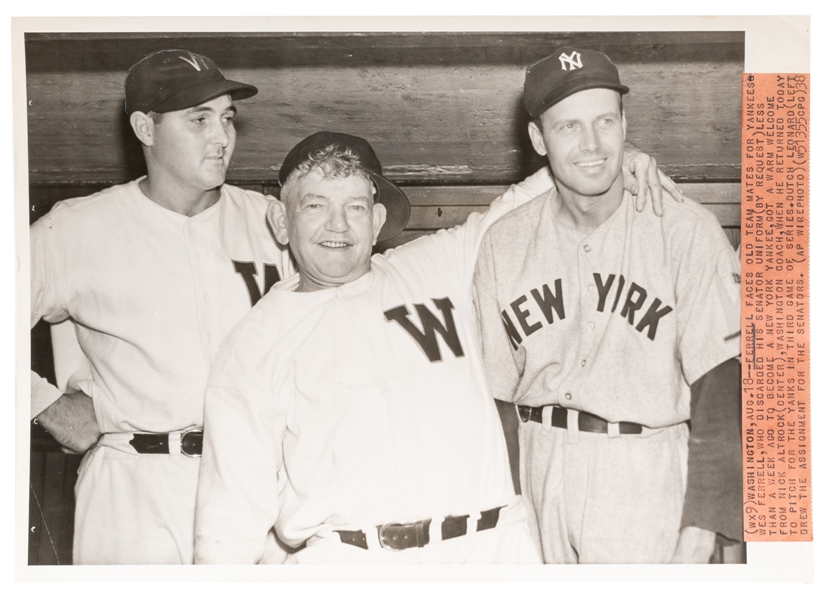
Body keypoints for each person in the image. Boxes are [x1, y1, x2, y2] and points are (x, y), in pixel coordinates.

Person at [193, 131, 678, 564]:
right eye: (315, 205)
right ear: (281, 220)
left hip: (491, 551)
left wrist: (615, 155)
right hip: (356, 562)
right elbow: (228, 519)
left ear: (378, 218)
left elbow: (521, 203)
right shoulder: (252, 345)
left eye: (356, 207)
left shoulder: (436, 264)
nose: (338, 226)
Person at [472, 47, 742, 564]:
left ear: (625, 125)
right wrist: (506, 510)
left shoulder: (685, 230)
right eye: (569, 127)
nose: (592, 145)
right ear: (538, 139)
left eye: (605, 122)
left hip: (645, 470)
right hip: (538, 465)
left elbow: (721, 388)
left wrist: (703, 525)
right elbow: (497, 403)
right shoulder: (503, 242)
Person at [30, 49, 293, 564]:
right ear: (145, 128)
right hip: (133, 490)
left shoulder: (270, 221)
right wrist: (42, 405)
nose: (222, 136)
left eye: (227, 118)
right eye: (199, 120)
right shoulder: (77, 228)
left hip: (257, 481)